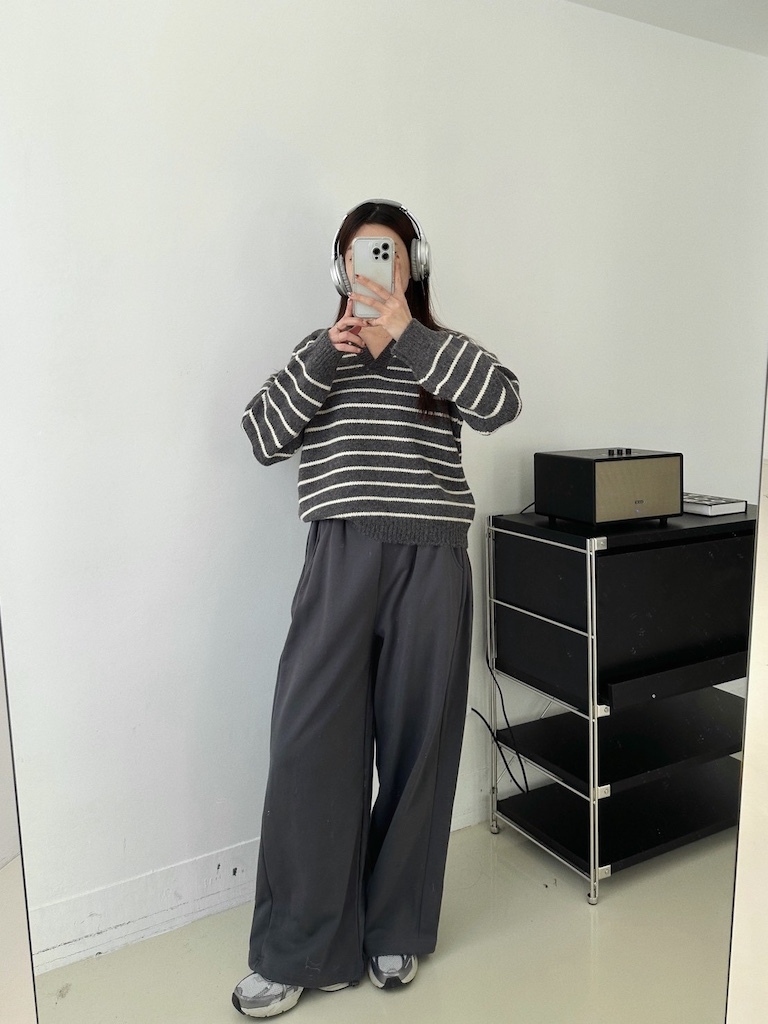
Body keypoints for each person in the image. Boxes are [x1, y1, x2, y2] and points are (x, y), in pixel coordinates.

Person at [233, 199, 521, 1017]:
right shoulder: (317, 352)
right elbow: (262, 436)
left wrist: (410, 337)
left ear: (411, 266)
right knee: (309, 750)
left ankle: (395, 927)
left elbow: (501, 402)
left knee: (416, 748)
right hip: (340, 557)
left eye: (387, 254)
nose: (373, 269)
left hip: (431, 560)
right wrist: (326, 356)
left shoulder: (438, 352)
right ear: (341, 269)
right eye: (361, 255)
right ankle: (301, 947)